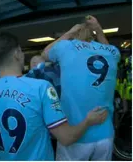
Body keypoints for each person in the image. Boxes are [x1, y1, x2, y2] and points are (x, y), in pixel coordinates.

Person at [0, 32, 108, 160]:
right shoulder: (40, 88)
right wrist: (89, 121)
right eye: (21, 51)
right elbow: (67, 138)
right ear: (17, 53)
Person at [41, 16, 119, 160]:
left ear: (74, 36)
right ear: (92, 36)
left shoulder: (67, 47)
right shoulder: (111, 52)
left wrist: (69, 33)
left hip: (76, 134)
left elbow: (45, 53)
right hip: (105, 134)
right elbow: (109, 50)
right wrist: (99, 30)